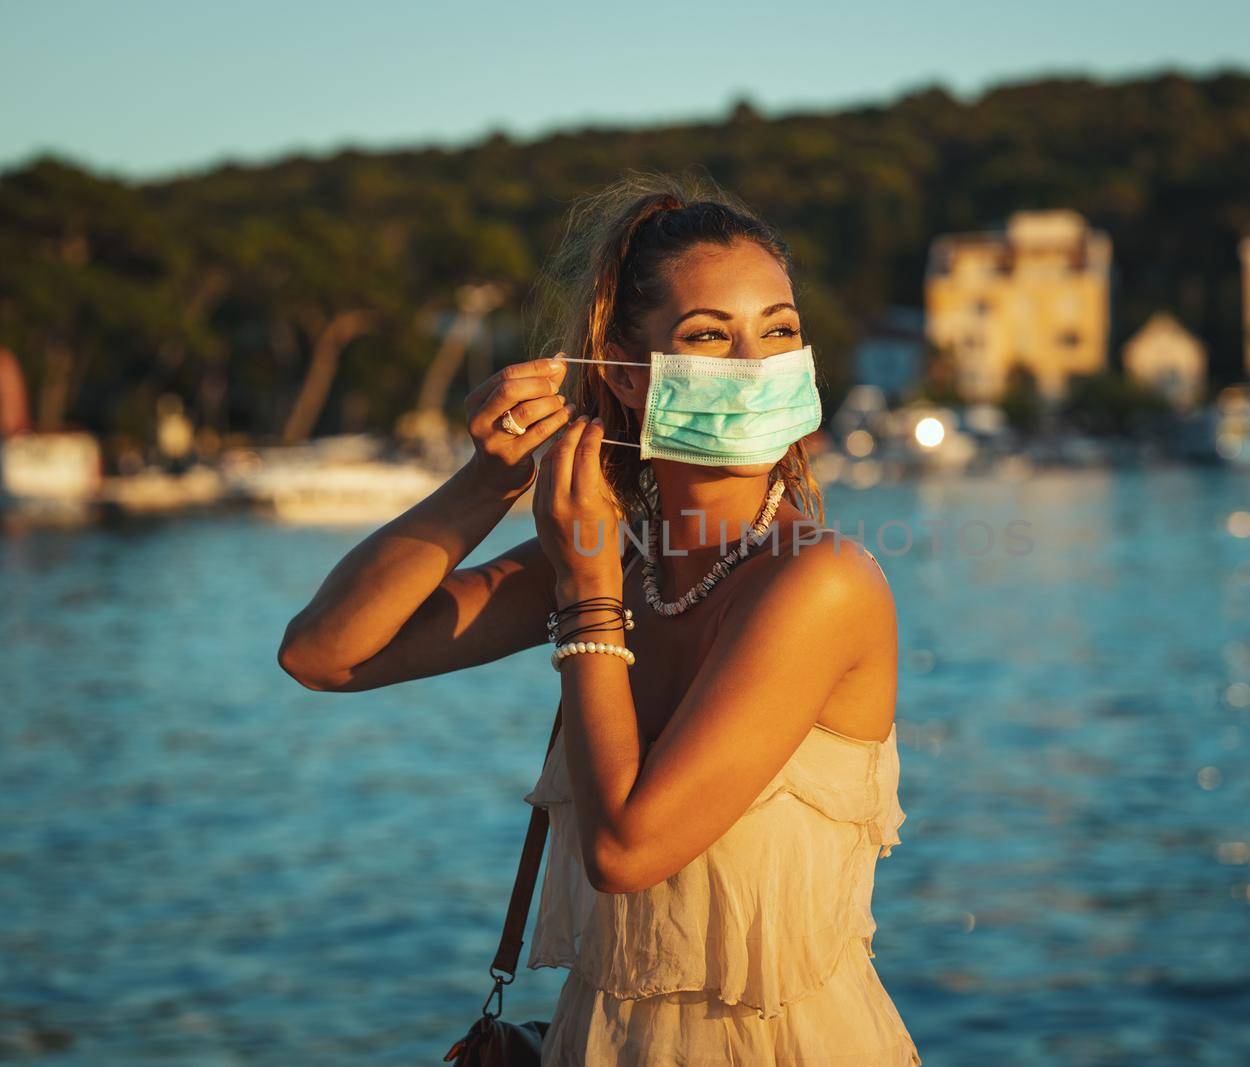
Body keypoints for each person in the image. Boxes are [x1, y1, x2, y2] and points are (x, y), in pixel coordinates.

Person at [277, 170, 921, 1065]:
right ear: (625, 372)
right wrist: (486, 482)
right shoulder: (616, 560)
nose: (758, 368)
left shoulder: (824, 583)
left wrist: (586, 597)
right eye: (709, 337)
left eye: (780, 332)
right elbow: (322, 652)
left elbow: (627, 848)